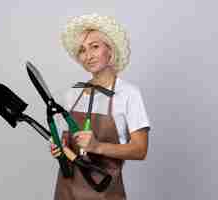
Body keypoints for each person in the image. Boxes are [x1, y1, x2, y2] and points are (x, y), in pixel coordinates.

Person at [51, 13, 150, 200]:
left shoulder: (128, 94)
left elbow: (140, 149)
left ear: (110, 51)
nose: (88, 56)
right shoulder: (73, 94)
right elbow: (68, 146)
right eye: (81, 50)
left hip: (105, 192)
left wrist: (97, 146)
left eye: (94, 47)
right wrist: (59, 150)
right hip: (67, 192)